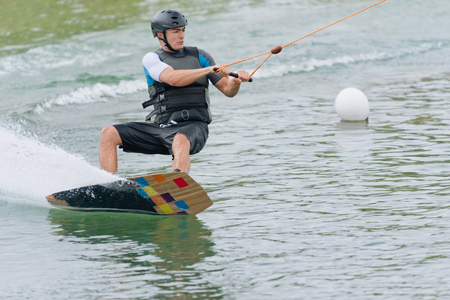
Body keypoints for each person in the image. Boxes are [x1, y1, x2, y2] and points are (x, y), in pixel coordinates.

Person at [99, 9, 250, 174]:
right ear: (160, 34)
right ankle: (108, 185)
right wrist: (208, 70)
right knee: (108, 133)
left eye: (183, 30)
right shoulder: (152, 59)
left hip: (195, 127)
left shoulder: (200, 56)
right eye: (176, 31)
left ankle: (177, 183)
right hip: (162, 127)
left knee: (180, 139)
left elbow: (228, 90)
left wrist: (235, 82)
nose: (182, 35)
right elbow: (173, 78)